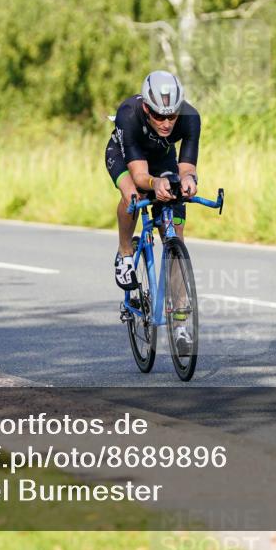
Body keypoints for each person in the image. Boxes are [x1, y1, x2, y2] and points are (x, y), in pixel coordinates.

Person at [105, 70, 200, 353]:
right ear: (147, 107)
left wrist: (188, 181)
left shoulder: (190, 118)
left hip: (162, 159)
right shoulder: (129, 114)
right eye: (159, 116)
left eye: (172, 116)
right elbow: (139, 176)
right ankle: (124, 253)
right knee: (135, 196)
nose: (167, 123)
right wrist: (155, 183)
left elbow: (187, 165)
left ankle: (181, 324)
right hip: (126, 158)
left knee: (175, 234)